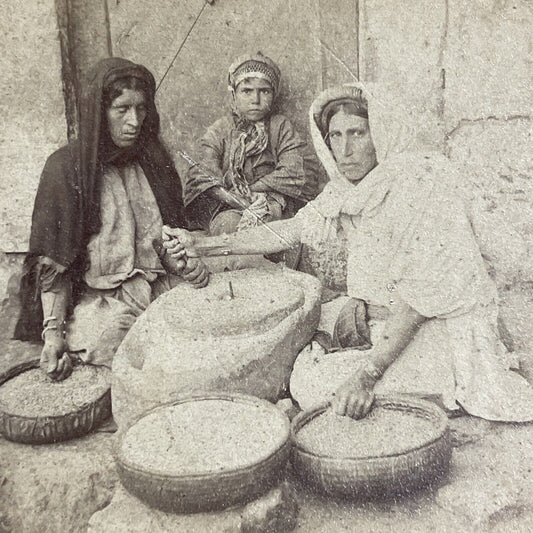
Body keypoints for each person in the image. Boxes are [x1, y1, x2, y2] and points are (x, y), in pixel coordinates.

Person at [163, 83, 533, 423]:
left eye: (357, 133)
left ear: (382, 134)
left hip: (440, 331)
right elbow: (289, 231)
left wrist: (366, 376)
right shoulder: (352, 188)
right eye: (335, 136)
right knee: (302, 350)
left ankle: (428, 393)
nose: (344, 148)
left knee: (314, 384)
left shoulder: (419, 183)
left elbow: (416, 303)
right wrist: (203, 245)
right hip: (383, 319)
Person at [14, 57, 207, 381]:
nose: (134, 120)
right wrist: (53, 333)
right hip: (106, 300)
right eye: (122, 109)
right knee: (116, 348)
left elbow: (175, 236)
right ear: (99, 113)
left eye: (141, 108)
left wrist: (186, 263)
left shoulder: (154, 158)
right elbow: (53, 264)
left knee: (205, 333)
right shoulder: (66, 168)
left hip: (162, 287)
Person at [183, 52, 316, 237]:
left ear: (274, 95)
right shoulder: (222, 128)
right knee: (227, 226)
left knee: (270, 227)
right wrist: (236, 199)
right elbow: (202, 173)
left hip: (272, 201)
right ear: (234, 94)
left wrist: (253, 191)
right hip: (229, 204)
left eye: (264, 91)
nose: (256, 99)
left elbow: (294, 170)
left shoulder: (280, 126)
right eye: (247, 91)